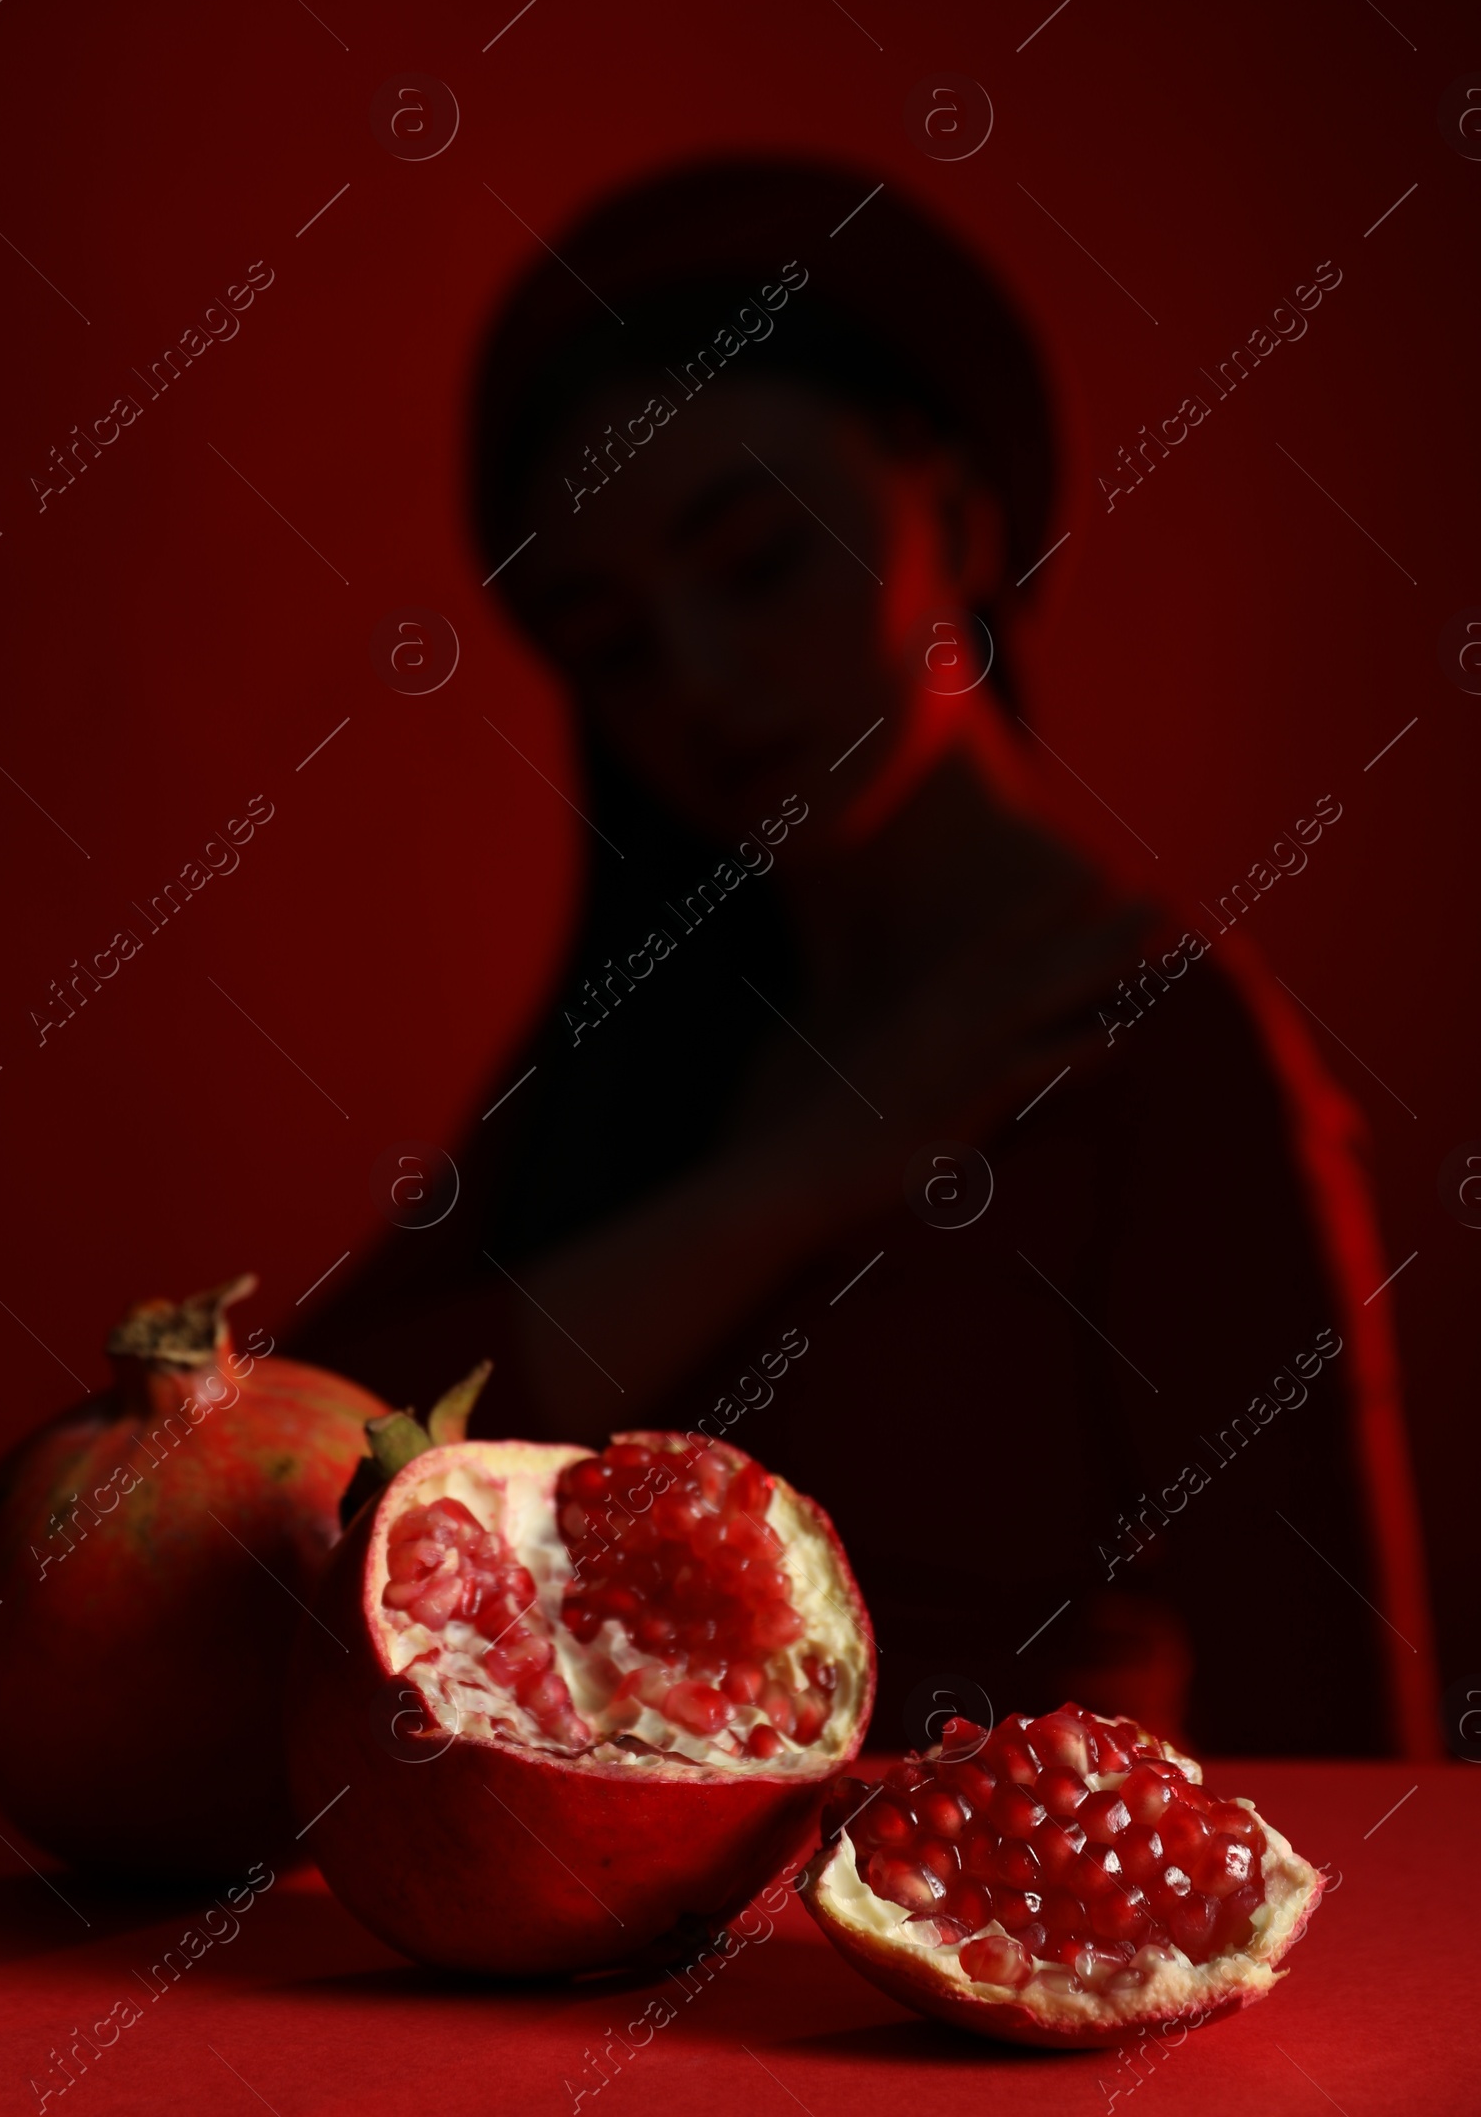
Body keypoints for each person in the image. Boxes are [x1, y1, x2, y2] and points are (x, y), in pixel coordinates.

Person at [295, 158, 1436, 1758]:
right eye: (612, 641)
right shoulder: (660, 1035)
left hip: (979, 1939)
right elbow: (277, 1474)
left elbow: (1345, 1751)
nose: (696, 683)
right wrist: (811, 1169)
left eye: (758, 563)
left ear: (958, 515)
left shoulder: (1151, 1046)